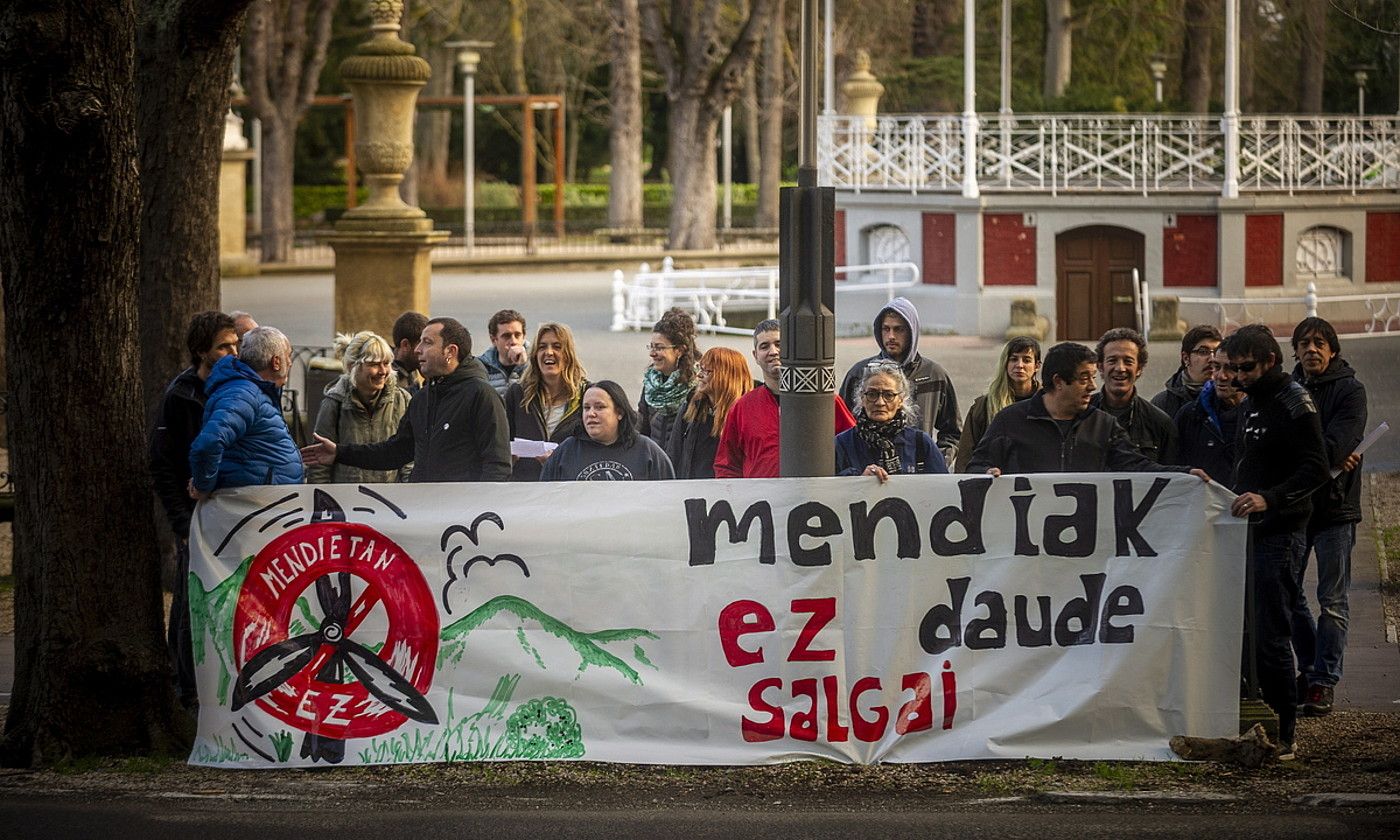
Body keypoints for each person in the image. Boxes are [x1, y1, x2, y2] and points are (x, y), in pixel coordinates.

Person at [1222, 323, 1329, 759]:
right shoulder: (1253, 402)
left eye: (1245, 368)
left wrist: (1270, 499)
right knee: (1246, 627)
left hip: (1280, 533)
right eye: (1230, 368)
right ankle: (1261, 718)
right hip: (1249, 530)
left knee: (1271, 631)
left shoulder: (1294, 402)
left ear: (1269, 361)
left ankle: (1286, 729)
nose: (1236, 377)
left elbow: (1317, 469)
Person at [150, 310, 239, 708]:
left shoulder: (235, 388)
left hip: (230, 516)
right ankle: (186, 690)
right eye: (224, 346)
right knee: (189, 605)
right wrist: (182, 522)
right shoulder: (181, 395)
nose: (232, 353)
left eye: (235, 345)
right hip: (196, 517)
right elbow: (164, 465)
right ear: (202, 351)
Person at [301, 317, 511, 482]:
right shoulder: (422, 398)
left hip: (461, 523)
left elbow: (497, 467)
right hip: (424, 515)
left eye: (427, 342)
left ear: (450, 351)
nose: (418, 349)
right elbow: (395, 452)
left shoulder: (482, 396)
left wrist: (477, 516)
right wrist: (339, 452)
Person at [966, 341, 1207, 478]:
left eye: (1093, 377)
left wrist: (1185, 474)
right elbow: (975, 465)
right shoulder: (1010, 421)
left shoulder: (1104, 425)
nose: (1093, 386)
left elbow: (1139, 467)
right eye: (1084, 378)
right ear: (1059, 382)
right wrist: (987, 472)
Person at [1288, 317, 1368, 717]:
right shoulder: (1287, 390)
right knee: (1289, 594)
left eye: (1319, 342)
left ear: (1333, 349)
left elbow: (1341, 442)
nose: (1311, 349)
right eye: (1304, 343)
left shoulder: (1351, 391)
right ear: (1295, 351)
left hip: (1336, 509)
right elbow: (1282, 447)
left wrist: (1321, 451)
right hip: (1297, 508)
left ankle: (1324, 681)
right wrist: (1329, 454)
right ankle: (1309, 667)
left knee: (1332, 599)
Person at [715, 319, 856, 478]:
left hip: (814, 499)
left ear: (793, 349)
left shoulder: (825, 402)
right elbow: (726, 467)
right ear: (755, 355)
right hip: (762, 501)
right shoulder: (742, 408)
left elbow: (854, 449)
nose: (773, 351)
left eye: (779, 344)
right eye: (764, 346)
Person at [838, 297, 960, 464]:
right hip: (867, 474)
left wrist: (935, 460)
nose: (891, 336)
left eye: (899, 329)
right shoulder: (860, 373)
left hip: (917, 476)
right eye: (886, 329)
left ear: (912, 332)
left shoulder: (934, 375)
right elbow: (840, 426)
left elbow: (953, 432)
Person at [188, 326, 304, 496]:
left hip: (264, 505)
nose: (291, 361)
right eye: (288, 355)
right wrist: (203, 486)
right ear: (276, 362)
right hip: (253, 507)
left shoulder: (256, 391)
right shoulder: (243, 394)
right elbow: (208, 444)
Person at [306, 330, 412, 484]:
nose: (383, 371)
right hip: (347, 501)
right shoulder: (334, 403)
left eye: (386, 363)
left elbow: (409, 459)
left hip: (390, 501)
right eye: (374, 364)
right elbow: (319, 466)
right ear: (352, 366)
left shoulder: (402, 400)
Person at [540, 381, 675, 481]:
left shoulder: (647, 451)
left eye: (599, 407)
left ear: (619, 412)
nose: (591, 414)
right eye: (586, 408)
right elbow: (546, 500)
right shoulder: (566, 451)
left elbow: (667, 500)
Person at [836, 361, 947, 481]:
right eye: (872, 394)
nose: (880, 402)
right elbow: (826, 490)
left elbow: (942, 490)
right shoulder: (842, 444)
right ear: (862, 398)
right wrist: (859, 480)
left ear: (900, 400)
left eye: (888, 395)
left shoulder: (921, 443)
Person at [505, 322, 589, 481]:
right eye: (542, 347)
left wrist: (557, 463)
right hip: (525, 488)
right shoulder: (517, 394)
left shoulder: (586, 395)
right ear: (535, 354)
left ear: (568, 354)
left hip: (568, 488)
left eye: (557, 347)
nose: (549, 352)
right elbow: (503, 442)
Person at [1090, 327, 1178, 464]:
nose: (1120, 368)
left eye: (1128, 361)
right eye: (1112, 360)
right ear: (1100, 367)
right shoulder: (1081, 415)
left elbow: (1171, 477)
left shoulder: (1160, 423)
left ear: (1139, 369)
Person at [953, 337, 1040, 473]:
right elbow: (965, 458)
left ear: (1037, 366)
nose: (1020, 365)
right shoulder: (984, 406)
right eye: (1013, 359)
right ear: (1005, 363)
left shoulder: (1048, 404)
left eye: (1027, 360)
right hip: (995, 484)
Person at [665, 347, 753, 479]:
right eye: (700, 369)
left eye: (707, 371)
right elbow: (673, 455)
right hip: (689, 493)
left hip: (728, 495)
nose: (699, 375)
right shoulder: (691, 407)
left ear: (727, 376)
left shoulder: (746, 415)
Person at [1173, 347, 1242, 481]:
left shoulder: (1260, 416)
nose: (1221, 376)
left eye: (1231, 368)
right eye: (1217, 367)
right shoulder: (1190, 415)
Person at [638, 307, 700, 444]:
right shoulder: (651, 383)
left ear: (679, 350)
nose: (652, 353)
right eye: (651, 347)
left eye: (659, 348)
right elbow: (642, 431)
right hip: (655, 461)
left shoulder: (697, 386)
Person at [1152, 325, 1222, 419]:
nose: (1212, 359)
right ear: (1186, 358)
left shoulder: (1230, 397)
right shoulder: (1162, 404)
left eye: (1217, 352)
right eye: (1203, 352)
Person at [481, 309, 528, 398]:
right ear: (494, 340)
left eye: (517, 335)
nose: (513, 341)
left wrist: (523, 366)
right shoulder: (482, 368)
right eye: (506, 336)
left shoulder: (536, 363)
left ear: (524, 337)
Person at [391, 310, 429, 396]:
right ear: (405, 345)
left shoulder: (411, 369)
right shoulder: (388, 378)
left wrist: (429, 380)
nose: (426, 351)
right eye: (421, 344)